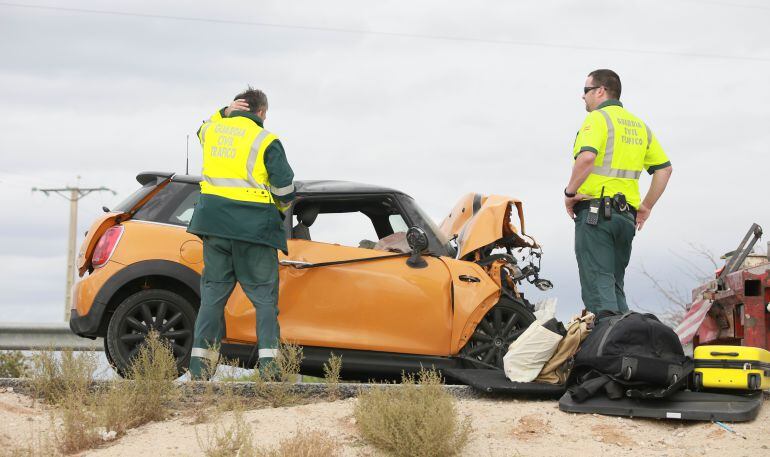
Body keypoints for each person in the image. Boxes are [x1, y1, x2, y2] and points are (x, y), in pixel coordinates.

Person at [187, 87, 295, 379]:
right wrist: (279, 210)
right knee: (264, 300)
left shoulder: (213, 130)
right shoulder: (266, 140)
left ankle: (199, 371)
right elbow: (285, 189)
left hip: (214, 227)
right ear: (262, 112)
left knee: (212, 298)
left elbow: (201, 128)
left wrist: (224, 111)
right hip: (254, 230)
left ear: (236, 107)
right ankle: (270, 370)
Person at [563, 69, 672, 318]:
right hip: (626, 219)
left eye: (586, 90)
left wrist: (569, 193)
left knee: (599, 289)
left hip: (596, 215)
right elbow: (664, 170)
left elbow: (586, 158)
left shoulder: (598, 119)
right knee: (614, 286)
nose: (583, 96)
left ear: (600, 91)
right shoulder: (640, 126)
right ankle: (626, 339)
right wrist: (646, 207)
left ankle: (606, 338)